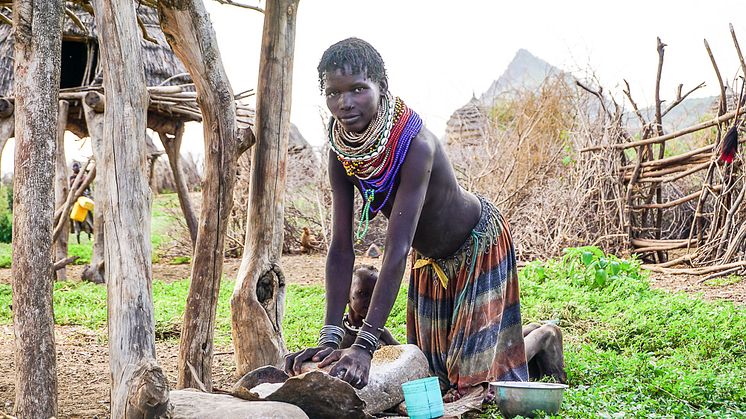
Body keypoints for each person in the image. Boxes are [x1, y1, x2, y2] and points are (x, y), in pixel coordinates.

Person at [284, 38, 528, 401]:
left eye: (358, 89)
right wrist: (330, 337)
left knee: (474, 386)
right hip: (430, 262)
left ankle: (540, 338)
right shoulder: (342, 153)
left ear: (382, 88)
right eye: (333, 92)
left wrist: (364, 347)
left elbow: (395, 249)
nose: (345, 102)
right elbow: (340, 249)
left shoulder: (415, 146)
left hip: (477, 245)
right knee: (433, 374)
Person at [340, 265, 399, 349]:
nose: (372, 300)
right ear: (346, 295)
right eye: (363, 293)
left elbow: (402, 351)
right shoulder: (339, 333)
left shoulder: (379, 332)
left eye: (376, 294)